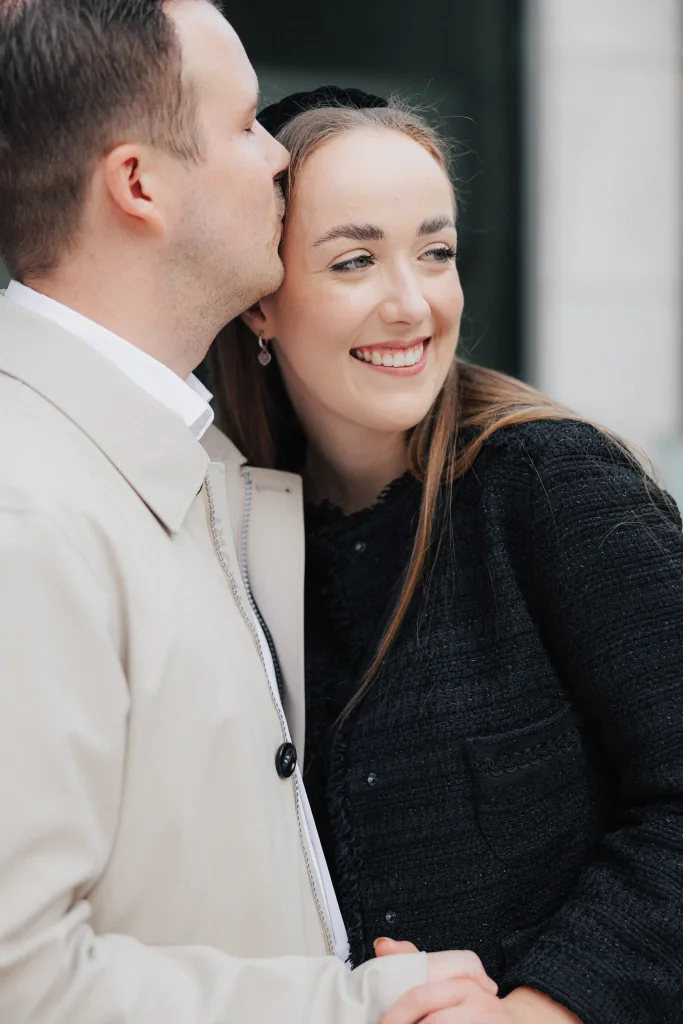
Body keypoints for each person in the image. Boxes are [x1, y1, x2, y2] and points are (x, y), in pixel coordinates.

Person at [0, 6, 501, 1023]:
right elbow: (20, 976)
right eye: (240, 125)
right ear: (138, 183)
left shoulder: (195, 459)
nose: (279, 153)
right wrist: (361, 1005)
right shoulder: (26, 508)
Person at [208, 86, 683, 1024]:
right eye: (354, 260)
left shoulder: (547, 483)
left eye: (436, 252)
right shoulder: (233, 532)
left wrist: (539, 1009)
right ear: (261, 303)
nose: (412, 303)